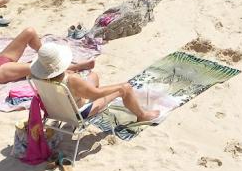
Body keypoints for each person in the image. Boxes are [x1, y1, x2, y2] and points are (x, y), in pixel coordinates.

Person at [29, 42, 160, 123]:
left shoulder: (37, 77)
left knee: (93, 76)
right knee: (125, 88)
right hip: (78, 114)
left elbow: (60, 76)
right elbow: (96, 94)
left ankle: (91, 95)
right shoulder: (71, 80)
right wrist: (120, 86)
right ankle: (142, 115)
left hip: (56, 111)